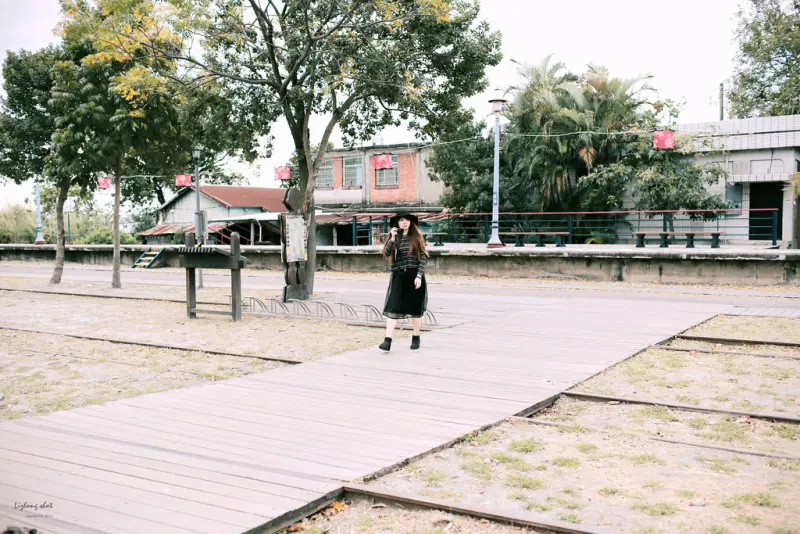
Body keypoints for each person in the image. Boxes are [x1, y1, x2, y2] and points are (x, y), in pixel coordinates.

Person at [379, 211, 428, 351]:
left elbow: (423, 258)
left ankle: (416, 337)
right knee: (393, 307)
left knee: (415, 309)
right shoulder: (395, 238)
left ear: (411, 222)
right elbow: (387, 253)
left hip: (414, 275)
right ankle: (387, 341)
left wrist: (419, 276)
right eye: (401, 220)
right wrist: (392, 239)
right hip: (398, 275)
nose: (404, 222)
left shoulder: (417, 237)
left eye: (407, 220)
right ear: (397, 223)